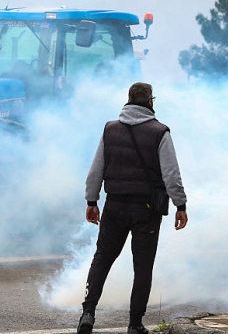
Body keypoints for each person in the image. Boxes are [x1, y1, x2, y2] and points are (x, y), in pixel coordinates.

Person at [78, 82, 188, 334]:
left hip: (114, 206)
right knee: (143, 267)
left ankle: (88, 313)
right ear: (150, 102)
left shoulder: (110, 129)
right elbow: (171, 175)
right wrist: (180, 205)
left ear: (128, 100)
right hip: (146, 210)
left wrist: (92, 201)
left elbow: (96, 169)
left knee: (102, 258)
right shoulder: (160, 132)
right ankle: (135, 324)